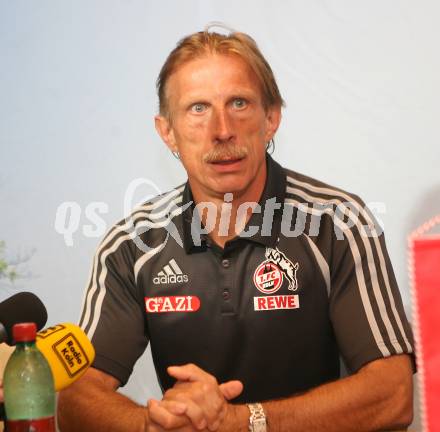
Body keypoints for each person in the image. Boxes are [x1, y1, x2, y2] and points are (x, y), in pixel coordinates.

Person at [58, 28, 415, 431]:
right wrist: (150, 426)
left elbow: (393, 393)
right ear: (167, 131)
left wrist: (246, 422)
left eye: (239, 103)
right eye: (197, 108)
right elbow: (75, 397)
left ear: (271, 118)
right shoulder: (131, 245)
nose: (222, 129)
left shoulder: (339, 222)